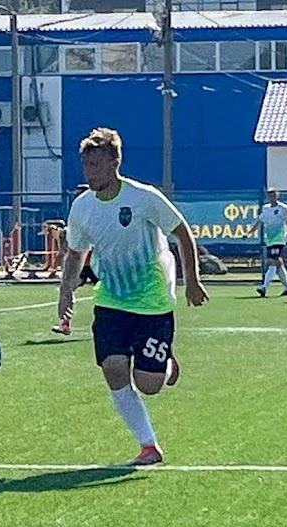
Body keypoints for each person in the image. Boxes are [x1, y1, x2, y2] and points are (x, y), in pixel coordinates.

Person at [58, 128, 208, 466]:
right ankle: (148, 446)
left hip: (152, 300)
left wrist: (192, 282)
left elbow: (182, 232)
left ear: (115, 162)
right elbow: (75, 252)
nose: (90, 172)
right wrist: (65, 289)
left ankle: (166, 365)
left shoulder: (143, 197)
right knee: (113, 368)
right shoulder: (82, 208)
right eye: (86, 165)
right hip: (111, 300)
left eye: (96, 164)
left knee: (149, 384)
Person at [53, 183, 99, 336]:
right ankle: (65, 324)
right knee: (66, 289)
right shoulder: (77, 215)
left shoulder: (97, 214)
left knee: (111, 292)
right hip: (79, 266)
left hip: (96, 264)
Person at [247, 188, 287, 297]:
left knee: (272, 262)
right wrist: (249, 233)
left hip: (279, 239)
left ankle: (264, 287)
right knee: (278, 264)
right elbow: (259, 222)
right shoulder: (266, 208)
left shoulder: (283, 208)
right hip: (270, 239)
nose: (271, 197)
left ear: (277, 196)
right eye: (269, 195)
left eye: (273, 195)